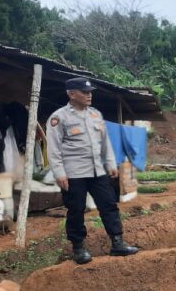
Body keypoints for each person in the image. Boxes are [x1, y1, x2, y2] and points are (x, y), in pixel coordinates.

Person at [46, 77, 138, 264]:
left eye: (90, 92)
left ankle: (117, 243)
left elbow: (105, 142)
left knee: (109, 205)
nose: (89, 95)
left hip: (97, 171)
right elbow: (53, 149)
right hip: (73, 174)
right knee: (76, 210)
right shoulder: (59, 117)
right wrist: (59, 173)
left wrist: (111, 164)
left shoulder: (95, 114)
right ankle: (78, 248)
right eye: (84, 92)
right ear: (71, 94)